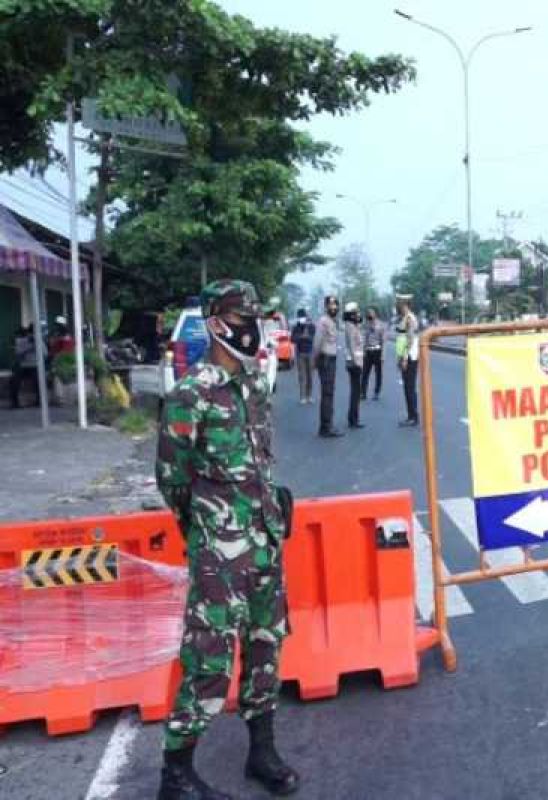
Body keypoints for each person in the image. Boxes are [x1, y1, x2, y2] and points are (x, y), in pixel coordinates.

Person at [155, 279, 299, 799]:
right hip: (219, 553)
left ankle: (262, 751)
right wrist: (205, 531)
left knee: (267, 647)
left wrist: (270, 501)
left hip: (264, 541)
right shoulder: (190, 394)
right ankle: (176, 772)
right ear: (216, 322)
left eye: (256, 316)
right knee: (209, 656)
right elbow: (171, 479)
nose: (252, 327)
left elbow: (260, 460)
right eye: (243, 317)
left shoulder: (255, 388)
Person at [312, 295, 341, 438]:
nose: (334, 307)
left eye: (336, 304)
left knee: (329, 392)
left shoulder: (332, 321)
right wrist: (315, 360)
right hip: (326, 359)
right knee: (327, 393)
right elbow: (317, 342)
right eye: (331, 304)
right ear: (326, 306)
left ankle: (327, 424)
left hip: (331, 359)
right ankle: (325, 427)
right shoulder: (323, 321)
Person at [395, 295, 420, 427]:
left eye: (400, 303)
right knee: (407, 386)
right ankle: (411, 415)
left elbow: (409, 340)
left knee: (409, 387)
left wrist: (404, 357)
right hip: (405, 356)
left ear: (406, 305)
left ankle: (413, 416)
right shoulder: (405, 317)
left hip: (409, 356)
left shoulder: (409, 318)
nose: (399, 306)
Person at [343, 301, 365, 430]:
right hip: (354, 363)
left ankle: (353, 417)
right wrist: (357, 362)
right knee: (355, 392)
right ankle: (353, 419)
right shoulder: (350, 327)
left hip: (355, 361)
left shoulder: (353, 326)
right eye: (356, 312)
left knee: (356, 392)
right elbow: (352, 345)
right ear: (351, 314)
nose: (358, 314)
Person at [8, 325, 40, 409]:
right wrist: (30, 347)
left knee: (38, 381)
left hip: (33, 365)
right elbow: (18, 353)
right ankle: (15, 402)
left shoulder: (37, 340)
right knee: (14, 381)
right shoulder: (21, 341)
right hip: (23, 365)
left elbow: (44, 353)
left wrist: (35, 345)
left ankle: (39, 400)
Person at [290, 308, 316, 405]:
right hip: (300, 353)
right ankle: (302, 397)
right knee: (302, 376)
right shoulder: (296, 327)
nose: (302, 319)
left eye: (303, 317)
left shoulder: (311, 326)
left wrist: (301, 336)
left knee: (310, 376)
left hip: (310, 353)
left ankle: (309, 396)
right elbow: (292, 339)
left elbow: (311, 338)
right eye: (300, 317)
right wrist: (302, 337)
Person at [361, 306, 386, 401]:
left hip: (377, 351)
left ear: (375, 313)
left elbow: (383, 341)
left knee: (378, 373)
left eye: (371, 312)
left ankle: (376, 392)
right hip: (368, 351)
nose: (369, 314)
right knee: (365, 373)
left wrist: (383, 355)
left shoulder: (381, 325)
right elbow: (365, 339)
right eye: (368, 312)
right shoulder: (366, 325)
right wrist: (363, 351)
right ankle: (363, 392)